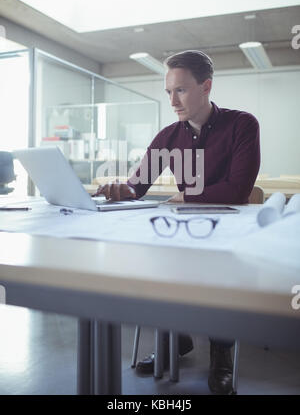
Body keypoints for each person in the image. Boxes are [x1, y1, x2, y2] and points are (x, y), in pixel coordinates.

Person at [94, 50, 260, 394]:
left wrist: (187, 196)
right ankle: (177, 338)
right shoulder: (170, 136)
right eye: (168, 91)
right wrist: (118, 188)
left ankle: (221, 355)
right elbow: (136, 186)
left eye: (180, 90)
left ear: (206, 87)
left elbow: (238, 189)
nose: (172, 100)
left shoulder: (242, 124)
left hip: (229, 229)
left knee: (217, 268)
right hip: (186, 230)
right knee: (150, 256)